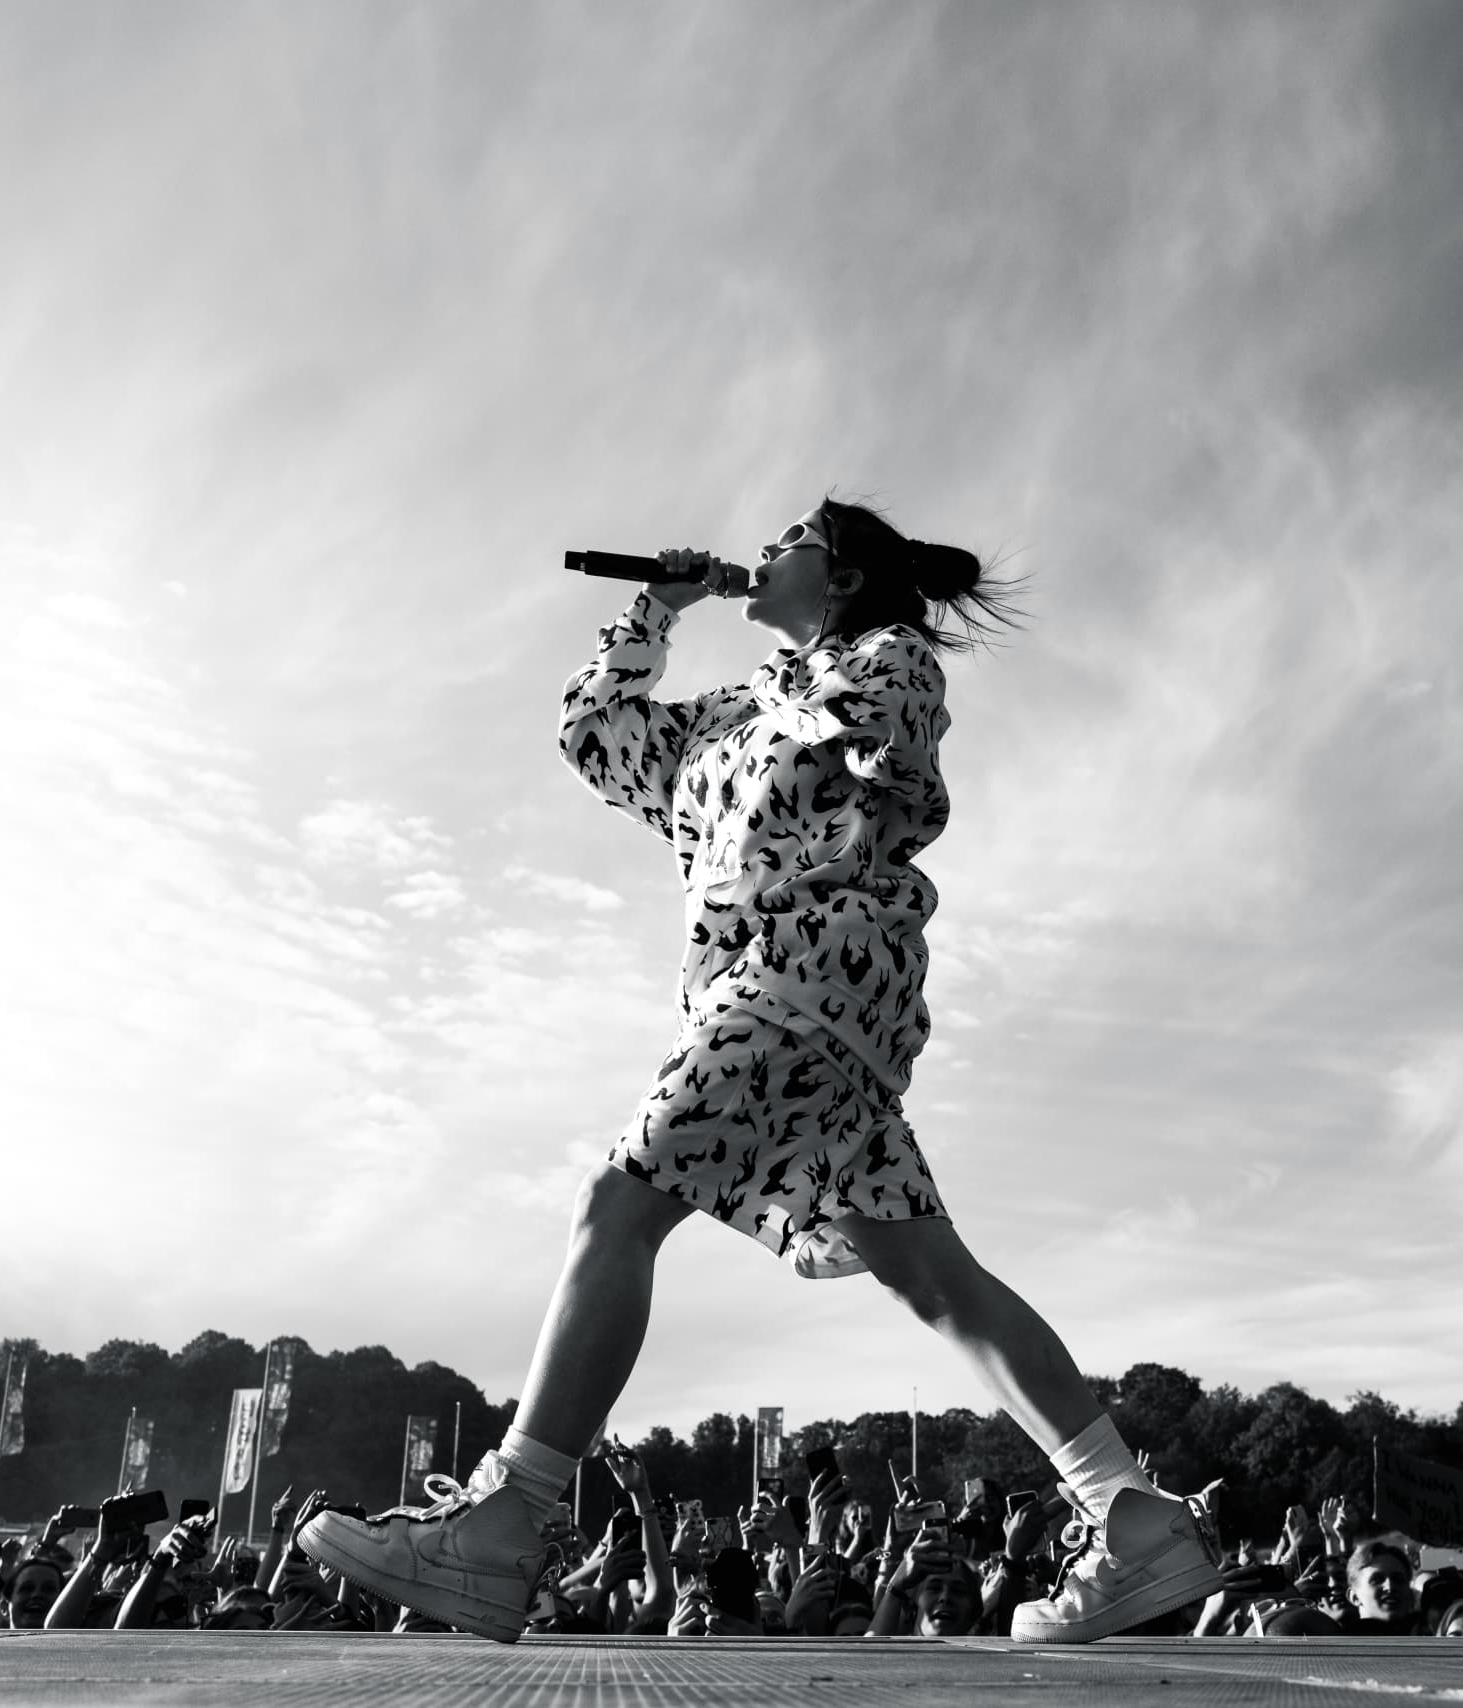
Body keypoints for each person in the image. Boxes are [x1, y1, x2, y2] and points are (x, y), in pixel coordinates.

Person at [299, 496, 1223, 1643]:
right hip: (793, 1000)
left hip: (811, 968)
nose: (766, 547)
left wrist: (803, 682)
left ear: (840, 578)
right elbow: (594, 734)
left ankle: (502, 1524)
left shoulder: (889, 658)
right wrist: (656, 610)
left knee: (618, 1205)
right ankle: (1132, 1516)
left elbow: (891, 745)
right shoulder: (733, 712)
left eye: (793, 538)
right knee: (932, 1276)